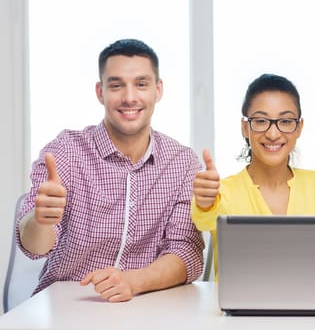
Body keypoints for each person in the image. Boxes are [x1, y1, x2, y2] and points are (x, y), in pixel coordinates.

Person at [16, 38, 204, 302]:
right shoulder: (65, 152)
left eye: (141, 84)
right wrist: (39, 219)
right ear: (100, 92)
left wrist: (133, 282)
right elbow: (33, 247)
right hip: (68, 306)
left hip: (148, 305)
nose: (129, 97)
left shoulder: (182, 163)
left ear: (158, 90)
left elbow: (187, 254)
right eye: (116, 85)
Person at [191, 73, 315, 277]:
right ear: (245, 127)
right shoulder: (223, 192)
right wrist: (204, 202)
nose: (273, 134)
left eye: (286, 121)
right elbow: (203, 220)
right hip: (241, 306)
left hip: (310, 305)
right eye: (261, 121)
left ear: (299, 128)